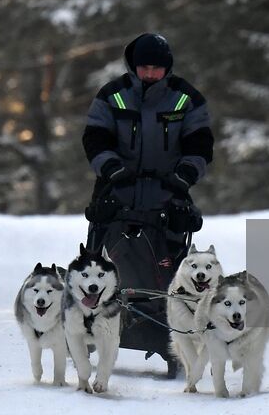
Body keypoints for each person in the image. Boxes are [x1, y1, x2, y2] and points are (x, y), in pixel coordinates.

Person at [82, 32, 213, 257]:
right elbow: (95, 139)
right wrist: (112, 169)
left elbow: (199, 144)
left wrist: (186, 174)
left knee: (169, 276)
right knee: (101, 271)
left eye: (157, 68)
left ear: (168, 67)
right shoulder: (112, 95)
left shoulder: (187, 98)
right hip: (115, 195)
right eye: (144, 67)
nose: (150, 74)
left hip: (168, 198)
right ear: (134, 65)